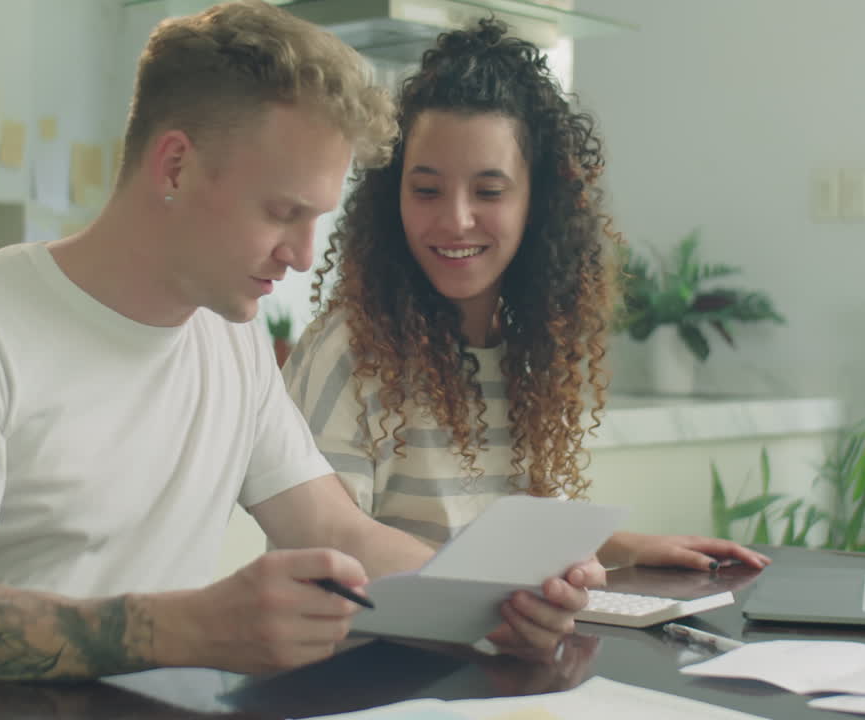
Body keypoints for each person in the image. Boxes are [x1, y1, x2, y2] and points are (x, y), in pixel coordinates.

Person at [0, 1, 602, 706]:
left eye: (317, 221)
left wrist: (500, 604)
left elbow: (342, 535)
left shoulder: (229, 339)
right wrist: (190, 627)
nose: (304, 257)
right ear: (175, 166)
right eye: (282, 212)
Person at [283, 19, 770, 572]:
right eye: (426, 190)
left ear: (537, 203)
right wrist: (502, 597)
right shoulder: (349, 351)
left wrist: (627, 549)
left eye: (488, 191)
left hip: (489, 649)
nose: (456, 219)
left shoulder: (528, 349)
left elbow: (513, 539)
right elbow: (329, 554)